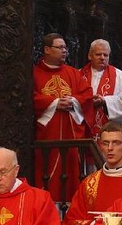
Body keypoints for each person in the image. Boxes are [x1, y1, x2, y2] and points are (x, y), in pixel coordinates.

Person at [33, 33, 94, 202]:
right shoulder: (34, 74)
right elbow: (30, 98)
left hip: (72, 134)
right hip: (47, 136)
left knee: (72, 171)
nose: (64, 51)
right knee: (48, 172)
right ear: (46, 49)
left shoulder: (74, 73)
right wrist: (54, 103)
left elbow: (87, 95)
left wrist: (73, 101)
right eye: (60, 47)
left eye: (65, 48)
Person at [80, 39, 122, 137]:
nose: (102, 58)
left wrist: (105, 101)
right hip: (83, 130)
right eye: (98, 54)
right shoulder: (78, 75)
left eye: (105, 55)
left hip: (112, 132)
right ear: (89, 56)